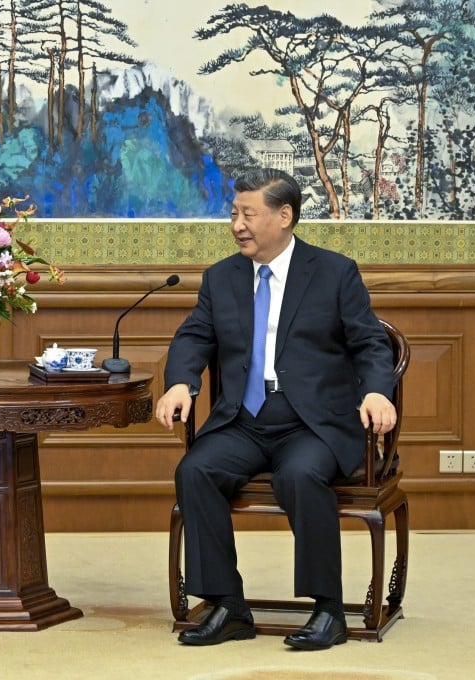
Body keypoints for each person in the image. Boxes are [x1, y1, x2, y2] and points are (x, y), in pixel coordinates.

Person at [154, 168, 397, 651]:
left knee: (300, 476)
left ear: (284, 216)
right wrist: (181, 382)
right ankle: (228, 606)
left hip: (311, 422)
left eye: (248, 214)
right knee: (196, 470)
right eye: (233, 213)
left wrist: (376, 391)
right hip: (244, 421)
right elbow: (194, 336)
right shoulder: (221, 278)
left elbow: (370, 342)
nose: (237, 224)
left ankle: (328, 610)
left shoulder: (333, 271)